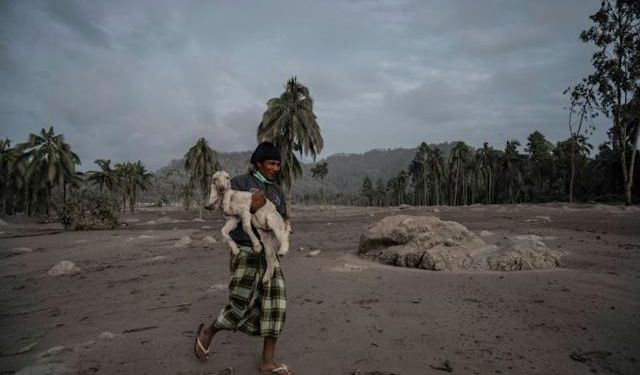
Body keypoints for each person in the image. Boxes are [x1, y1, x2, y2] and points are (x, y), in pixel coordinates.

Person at [194, 142, 294, 375]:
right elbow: (226, 211)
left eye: (278, 164)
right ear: (258, 163)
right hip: (246, 250)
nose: (275, 167)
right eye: (271, 163)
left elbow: (283, 217)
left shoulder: (277, 192)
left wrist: (286, 228)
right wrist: (251, 206)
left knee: (276, 304)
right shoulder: (240, 183)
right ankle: (208, 333)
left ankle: (268, 362)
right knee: (241, 303)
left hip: (269, 254)